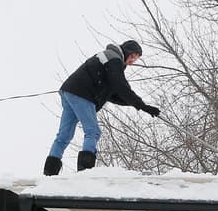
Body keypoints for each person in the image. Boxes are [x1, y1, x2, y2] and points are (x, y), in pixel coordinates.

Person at [43, 40, 161, 176]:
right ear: (127, 51)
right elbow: (121, 86)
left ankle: (50, 173)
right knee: (93, 131)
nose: (133, 61)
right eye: (133, 56)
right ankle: (85, 172)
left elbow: (114, 95)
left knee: (65, 135)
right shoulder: (114, 59)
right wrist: (141, 105)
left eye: (136, 59)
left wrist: (140, 106)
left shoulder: (109, 60)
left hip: (69, 92)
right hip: (82, 94)